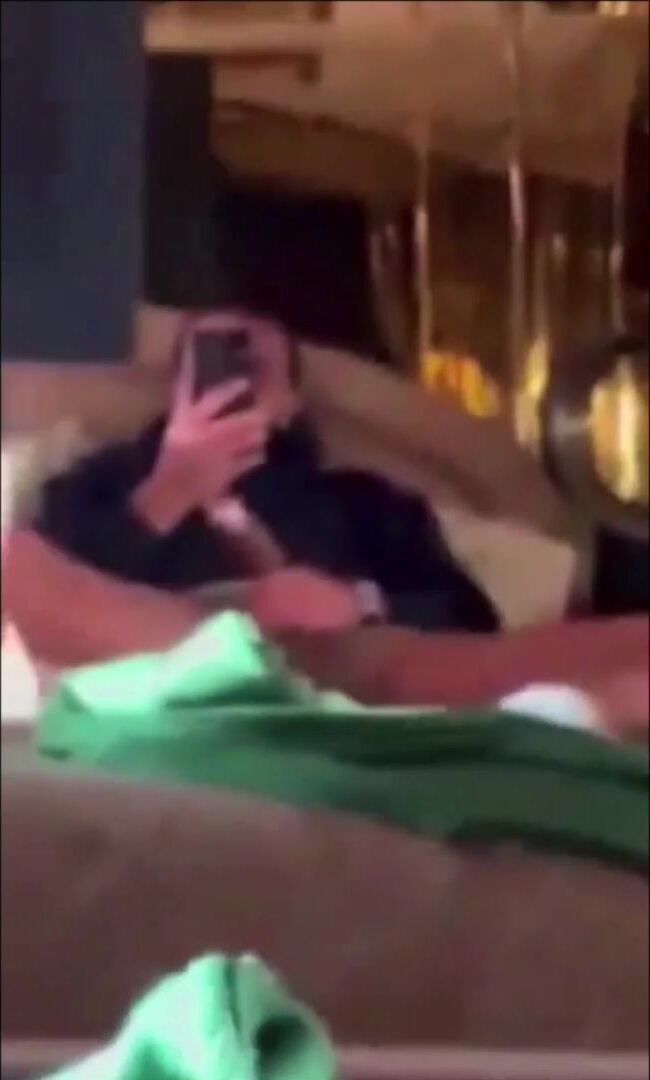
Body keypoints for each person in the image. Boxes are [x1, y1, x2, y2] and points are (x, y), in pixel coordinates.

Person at [30, 311, 498, 636]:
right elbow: (37, 602)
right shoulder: (99, 483)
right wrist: (162, 497)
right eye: (214, 365)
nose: (233, 383)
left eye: (251, 369)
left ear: (291, 402)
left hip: (316, 702)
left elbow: (469, 623)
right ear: (176, 390)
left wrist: (360, 606)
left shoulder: (364, 505)